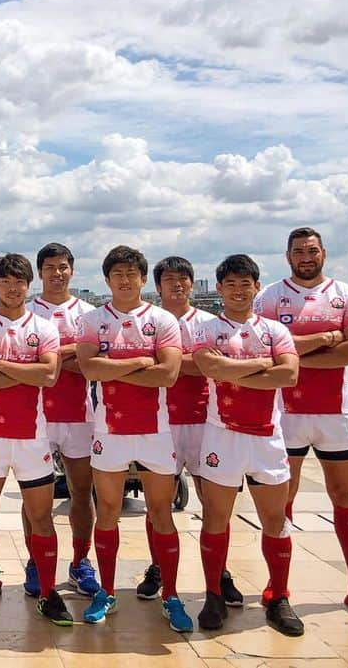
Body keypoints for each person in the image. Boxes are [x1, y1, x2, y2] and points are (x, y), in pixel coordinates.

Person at [254, 228, 348, 620]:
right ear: (287, 255)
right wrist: (328, 339)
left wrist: (291, 355)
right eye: (298, 251)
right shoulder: (270, 296)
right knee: (280, 504)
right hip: (285, 413)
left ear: (323, 252)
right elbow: (261, 347)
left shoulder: (347, 295)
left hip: (336, 413)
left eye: (312, 250)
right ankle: (279, 586)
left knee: (345, 498)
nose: (306, 257)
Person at [75, 245, 192, 632]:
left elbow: (169, 375)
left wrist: (114, 369)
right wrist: (141, 362)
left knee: (161, 513)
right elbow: (89, 368)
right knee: (107, 513)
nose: (124, 281)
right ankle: (105, 590)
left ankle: (170, 593)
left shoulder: (161, 320)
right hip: (109, 430)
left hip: (156, 430)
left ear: (143, 279)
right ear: (107, 280)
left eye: (131, 274)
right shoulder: (93, 320)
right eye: (117, 275)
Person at [193, 254, 304, 636]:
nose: (239, 290)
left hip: (267, 436)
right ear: (219, 289)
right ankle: (213, 595)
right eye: (231, 284)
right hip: (221, 434)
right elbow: (213, 369)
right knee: (215, 517)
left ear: (257, 287)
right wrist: (262, 366)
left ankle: (279, 596)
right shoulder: (206, 329)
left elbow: (288, 375)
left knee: (275, 519)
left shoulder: (275, 331)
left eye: (246, 284)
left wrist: (236, 369)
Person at [0, 254, 70, 625]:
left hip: (32, 439)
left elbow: (51, 377)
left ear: (29, 285)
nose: (12, 287)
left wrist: (3, 366)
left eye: (19, 281)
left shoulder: (45, 327)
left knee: (42, 519)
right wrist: (29, 372)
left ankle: (48, 591)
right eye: (5, 281)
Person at [136, 256, 243, 606]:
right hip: (160, 421)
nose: (177, 285)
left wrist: (166, 363)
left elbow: (213, 367)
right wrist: (192, 362)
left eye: (183, 278)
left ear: (193, 284)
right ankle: (158, 568)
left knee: (215, 505)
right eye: (169, 279)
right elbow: (193, 364)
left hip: (204, 421)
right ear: (158, 286)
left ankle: (220, 572)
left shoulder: (210, 323)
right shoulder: (148, 321)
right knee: (157, 505)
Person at [29, 242, 100, 597]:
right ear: (39, 272)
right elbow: (30, 361)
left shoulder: (89, 313)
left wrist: (49, 357)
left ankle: (79, 560)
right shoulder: (25, 312)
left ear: (72, 270)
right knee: (34, 496)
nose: (57, 273)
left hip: (79, 414)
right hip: (36, 415)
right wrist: (69, 356)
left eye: (63, 267)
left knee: (82, 491)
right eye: (50, 267)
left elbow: (91, 362)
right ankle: (35, 560)